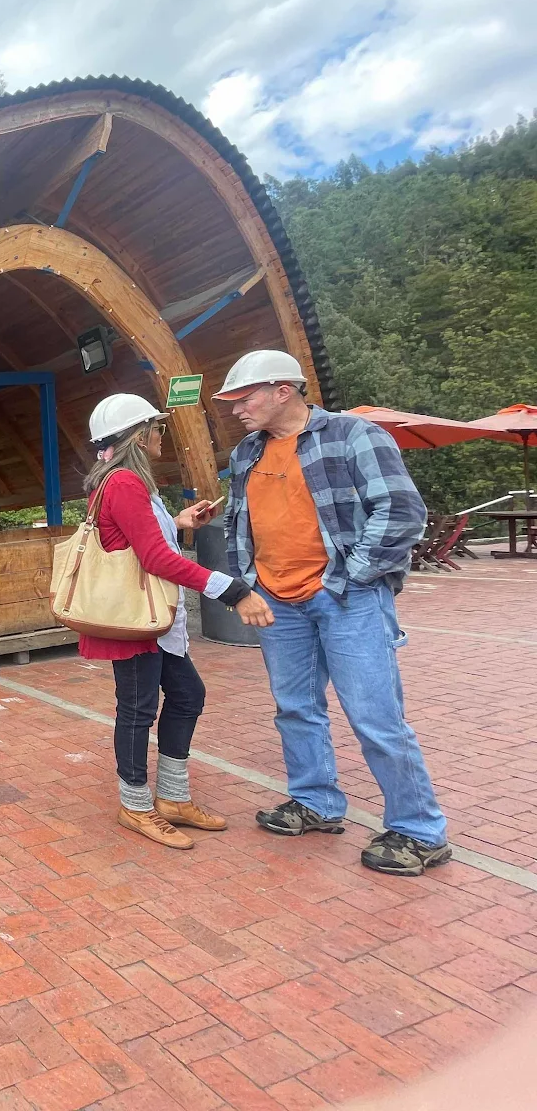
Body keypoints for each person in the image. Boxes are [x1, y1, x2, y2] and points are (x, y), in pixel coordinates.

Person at [215, 350, 449, 877]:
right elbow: (238, 520)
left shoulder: (353, 435)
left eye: (244, 397)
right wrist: (249, 581)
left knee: (375, 717)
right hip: (277, 602)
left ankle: (420, 830)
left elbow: (401, 510)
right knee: (295, 707)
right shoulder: (246, 452)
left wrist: (349, 575)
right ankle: (315, 803)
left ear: (283, 391)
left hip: (348, 598)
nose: (235, 409)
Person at [76, 394, 272, 850]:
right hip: (138, 618)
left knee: (186, 695)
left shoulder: (124, 481)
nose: (161, 435)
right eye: (157, 428)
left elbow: (137, 538)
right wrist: (232, 590)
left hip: (152, 617)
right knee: (138, 709)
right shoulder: (125, 482)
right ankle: (135, 805)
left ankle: (172, 798)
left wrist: (179, 521)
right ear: (138, 436)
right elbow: (156, 558)